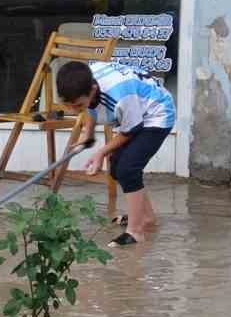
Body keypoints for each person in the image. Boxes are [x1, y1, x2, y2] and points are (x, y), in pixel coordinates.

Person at [56, 59, 175, 247]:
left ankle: (135, 232)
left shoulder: (119, 95)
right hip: (136, 111)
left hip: (157, 113)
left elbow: (131, 130)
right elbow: (90, 108)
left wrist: (100, 152)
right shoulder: (84, 80)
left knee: (128, 169)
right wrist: (88, 135)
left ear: (93, 89)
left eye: (78, 106)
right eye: (68, 106)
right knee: (116, 167)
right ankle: (146, 217)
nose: (74, 110)